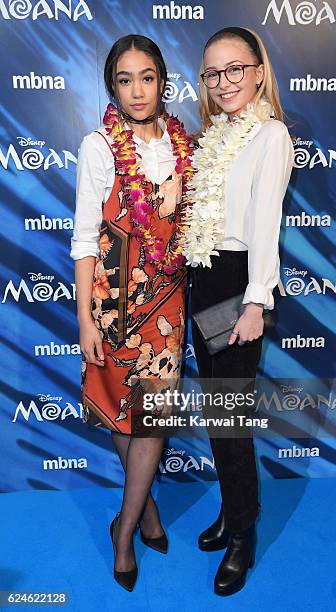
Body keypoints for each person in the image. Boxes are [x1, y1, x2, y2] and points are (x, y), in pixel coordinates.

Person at [70, 34, 192, 592]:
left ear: (163, 81)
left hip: (166, 299)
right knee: (120, 408)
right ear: (111, 86)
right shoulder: (98, 145)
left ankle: (123, 532)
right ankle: (143, 512)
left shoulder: (184, 144)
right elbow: (84, 239)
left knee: (152, 418)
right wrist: (85, 320)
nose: (137, 90)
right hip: (112, 298)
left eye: (147, 77)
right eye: (125, 79)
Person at [183, 27, 294, 596]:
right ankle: (231, 512)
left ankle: (243, 537)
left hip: (237, 282)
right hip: (202, 278)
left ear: (257, 72)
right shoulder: (214, 134)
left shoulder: (270, 135)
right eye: (212, 73)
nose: (223, 82)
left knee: (230, 422)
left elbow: (265, 224)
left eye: (233, 69)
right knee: (216, 416)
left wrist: (256, 300)